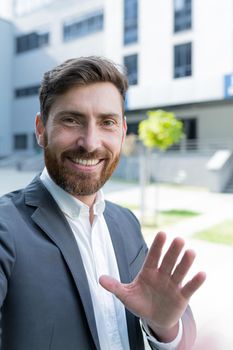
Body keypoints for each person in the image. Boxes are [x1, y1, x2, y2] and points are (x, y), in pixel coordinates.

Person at [0, 56, 206, 350]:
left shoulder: (126, 223)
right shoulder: (6, 229)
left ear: (122, 132)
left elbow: (180, 335)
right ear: (41, 129)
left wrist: (164, 326)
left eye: (107, 122)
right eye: (72, 120)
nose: (91, 142)